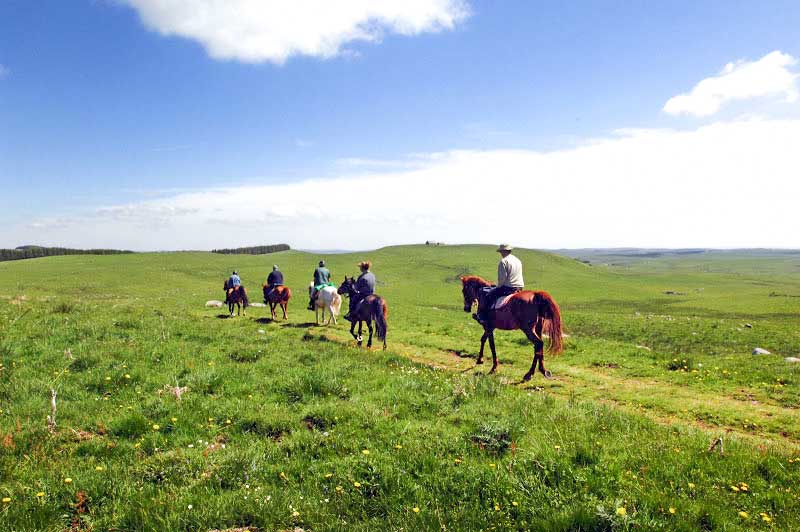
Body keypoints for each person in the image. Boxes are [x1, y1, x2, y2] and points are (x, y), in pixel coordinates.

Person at [474, 244, 524, 325]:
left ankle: (483, 317)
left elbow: (502, 279)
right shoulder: (517, 260)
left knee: (488, 295)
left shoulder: (504, 261)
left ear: (504, 251)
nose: (500, 253)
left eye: (501, 251)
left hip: (508, 288)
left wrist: (497, 287)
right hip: (520, 287)